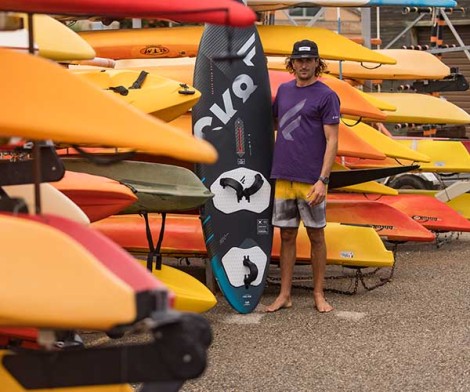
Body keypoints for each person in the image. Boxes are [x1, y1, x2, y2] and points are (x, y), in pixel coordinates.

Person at [265, 39, 340, 313]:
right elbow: (274, 121)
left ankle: (318, 294)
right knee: (286, 235)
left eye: (309, 60)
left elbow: (332, 140)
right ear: (292, 63)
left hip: (312, 179)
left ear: (317, 63)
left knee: (316, 235)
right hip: (284, 174)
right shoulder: (284, 91)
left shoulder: (326, 95)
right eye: (299, 60)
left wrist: (323, 179)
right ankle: (285, 294)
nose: (304, 65)